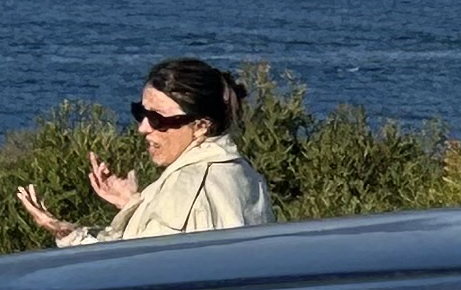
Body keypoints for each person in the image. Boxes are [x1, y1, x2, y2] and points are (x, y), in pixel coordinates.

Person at [18, 56, 273, 244]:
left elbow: (132, 275)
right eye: (140, 113)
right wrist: (135, 205)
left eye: (159, 119)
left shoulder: (190, 188)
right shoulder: (243, 173)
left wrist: (66, 232)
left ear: (201, 126)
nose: (143, 128)